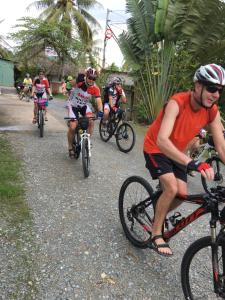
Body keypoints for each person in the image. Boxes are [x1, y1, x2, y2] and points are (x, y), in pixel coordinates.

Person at [143, 63, 225, 256]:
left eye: (219, 91)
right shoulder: (177, 102)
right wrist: (193, 162)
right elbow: (162, 140)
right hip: (156, 147)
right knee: (171, 188)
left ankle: (159, 211)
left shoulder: (212, 111)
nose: (215, 94)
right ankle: (156, 232)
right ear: (198, 86)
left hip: (177, 151)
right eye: (212, 88)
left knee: (181, 194)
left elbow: (221, 146)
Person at [67, 67, 103, 158]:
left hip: (84, 106)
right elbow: (71, 84)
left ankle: (87, 141)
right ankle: (70, 147)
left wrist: (101, 111)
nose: (91, 80)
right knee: (72, 127)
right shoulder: (80, 82)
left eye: (94, 78)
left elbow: (98, 100)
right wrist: (78, 77)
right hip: (73, 105)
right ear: (86, 77)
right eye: (90, 77)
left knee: (91, 121)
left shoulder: (95, 88)